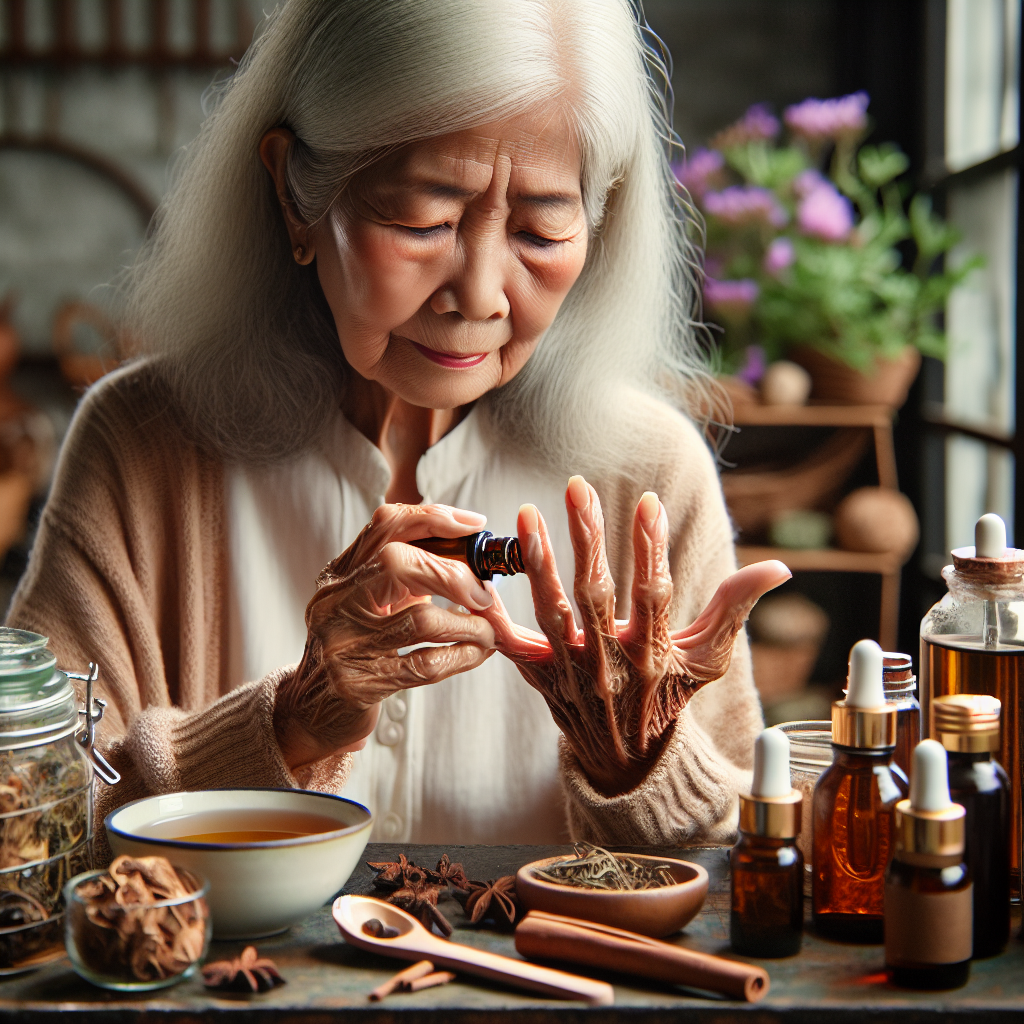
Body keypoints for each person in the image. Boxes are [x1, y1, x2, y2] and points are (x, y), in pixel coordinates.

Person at [7, 0, 788, 848]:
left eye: (540, 228)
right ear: (296, 196)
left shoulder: (649, 468)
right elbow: (29, 821)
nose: (481, 295)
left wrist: (637, 764)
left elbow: (740, 867)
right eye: (423, 221)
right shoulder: (143, 443)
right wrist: (286, 727)